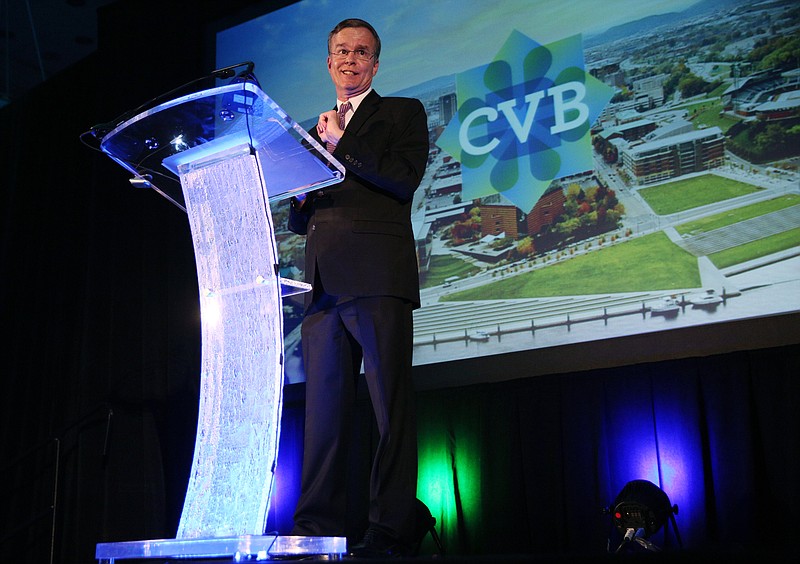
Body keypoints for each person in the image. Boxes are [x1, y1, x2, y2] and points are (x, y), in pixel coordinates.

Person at [287, 18, 430, 559]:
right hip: (323, 285)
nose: (349, 59)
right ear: (328, 63)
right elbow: (302, 219)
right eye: (340, 51)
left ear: (375, 63)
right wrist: (300, 191)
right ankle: (314, 526)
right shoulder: (314, 129)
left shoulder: (401, 114)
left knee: (389, 406)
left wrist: (342, 143)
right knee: (323, 414)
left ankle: (391, 528)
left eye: (361, 52)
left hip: (376, 277)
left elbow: (401, 179)